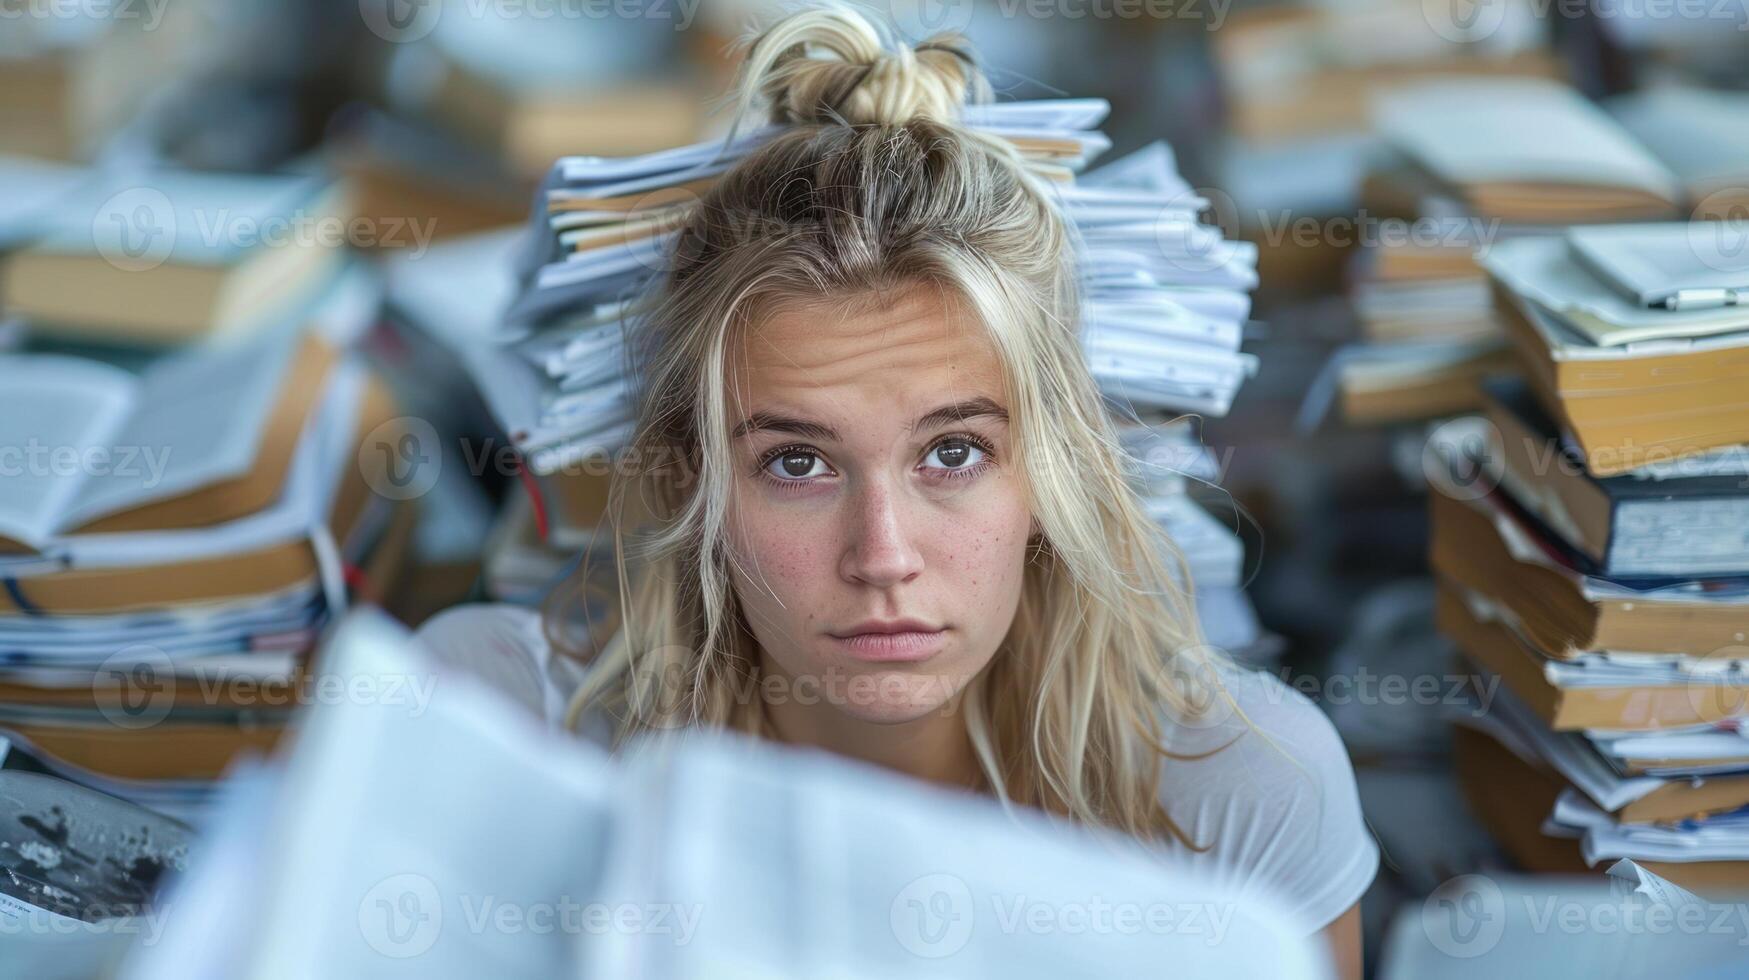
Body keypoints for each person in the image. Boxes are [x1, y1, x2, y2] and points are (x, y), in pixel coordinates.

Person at [417, 6, 1376, 975]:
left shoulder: (1241, 794)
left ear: (1053, 470)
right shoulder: (505, 731)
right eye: (798, 462)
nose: (882, 555)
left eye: (952, 453)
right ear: (689, 480)